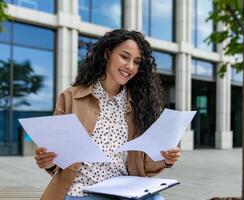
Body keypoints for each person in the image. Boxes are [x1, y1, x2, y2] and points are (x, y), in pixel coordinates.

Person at [34, 29, 181, 200]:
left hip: (126, 190)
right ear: (107, 54)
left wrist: (166, 159)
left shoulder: (141, 106)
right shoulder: (71, 97)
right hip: (82, 190)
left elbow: (145, 168)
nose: (130, 66)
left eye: (137, 61)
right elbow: (57, 158)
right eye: (124, 57)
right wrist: (48, 160)